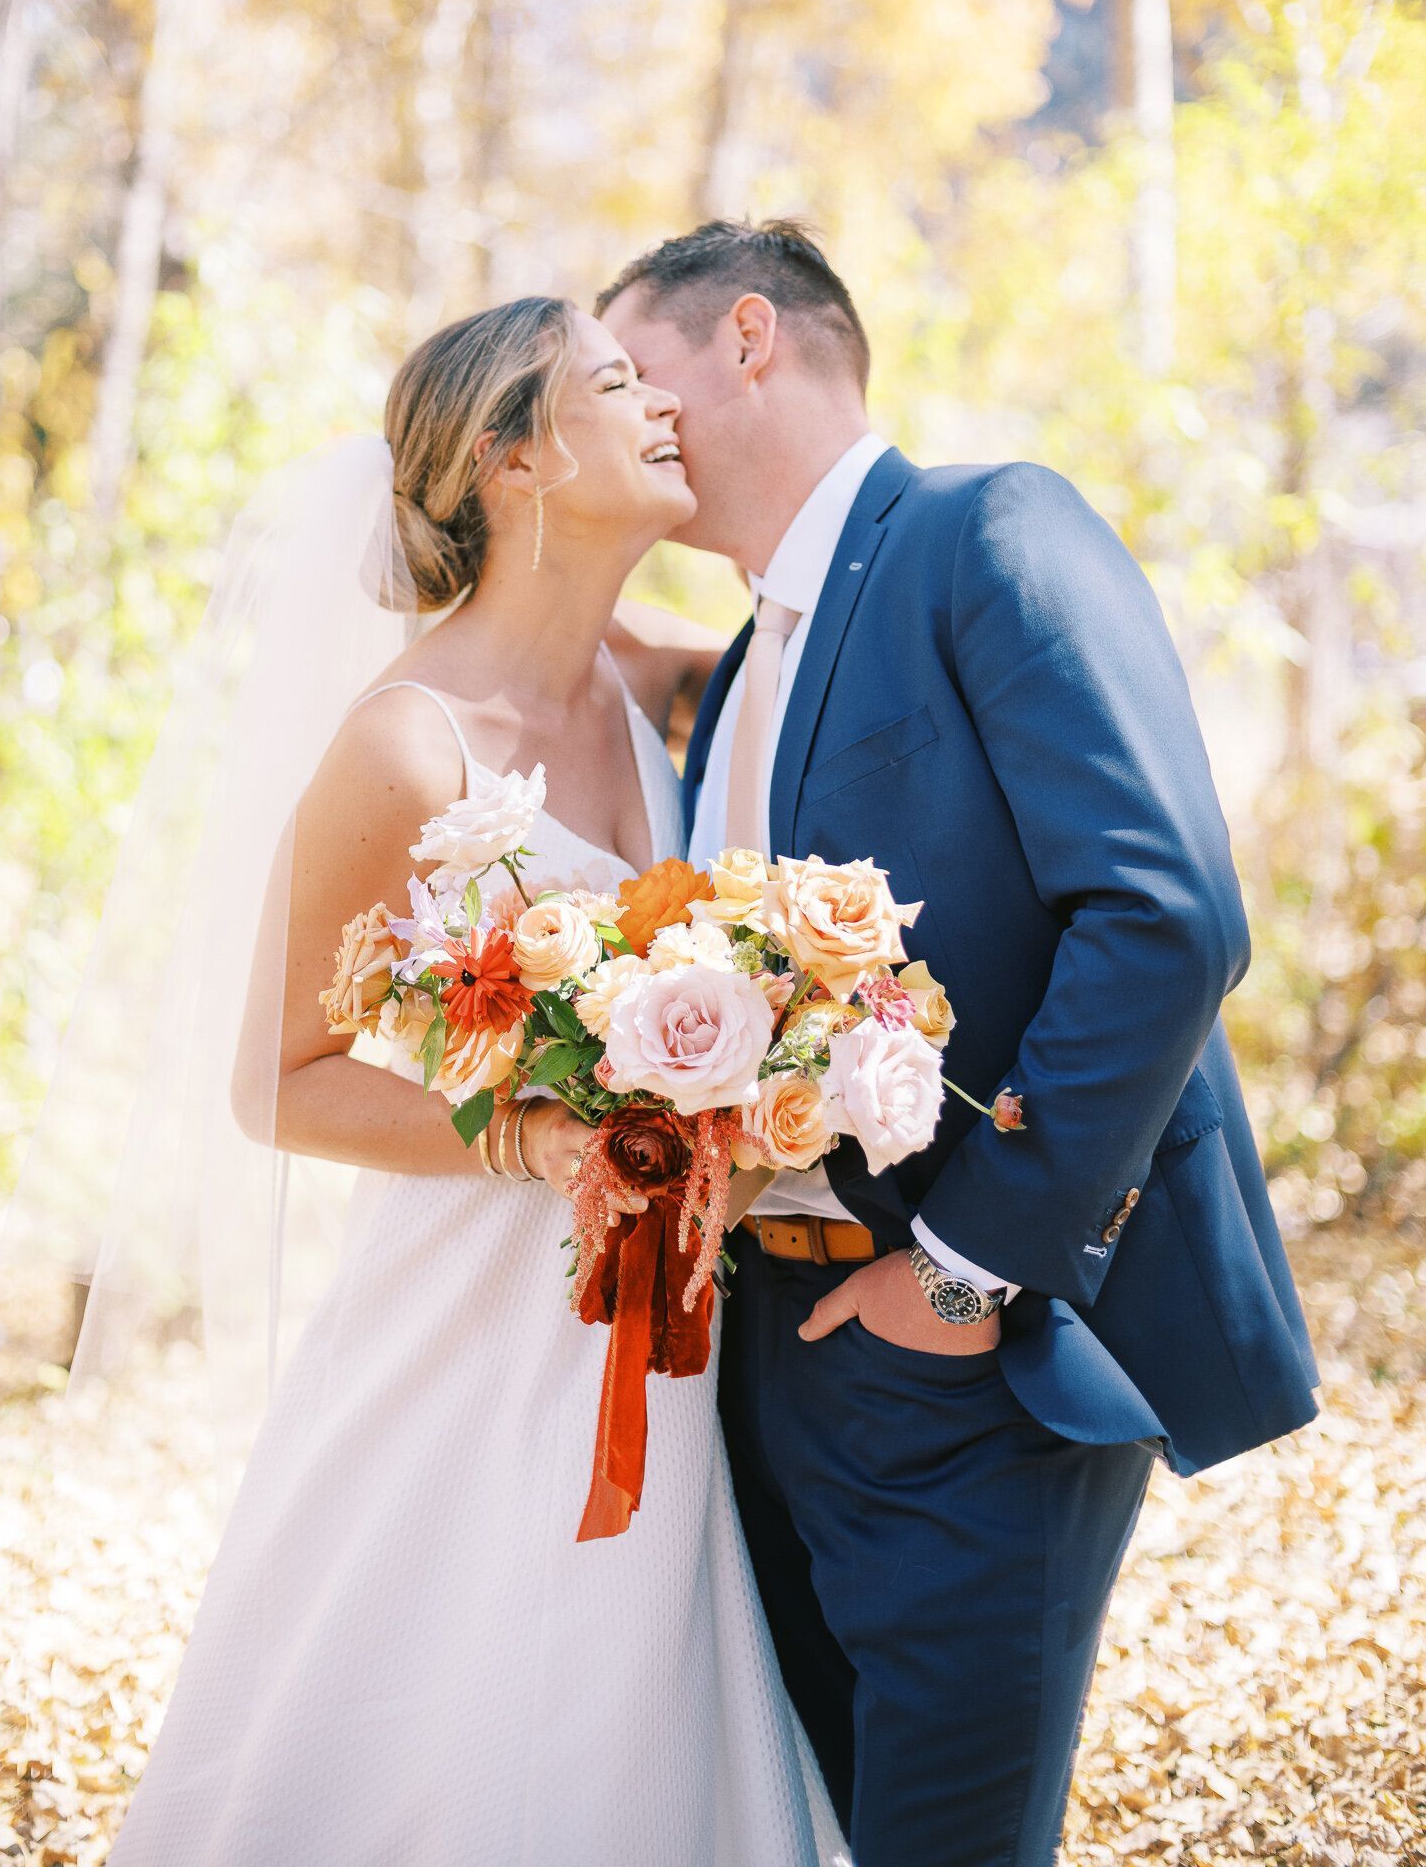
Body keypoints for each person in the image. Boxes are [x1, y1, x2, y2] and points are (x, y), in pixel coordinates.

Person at [598, 219, 1322, 1867]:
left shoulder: (989, 529)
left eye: (645, 379)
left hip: (974, 1363)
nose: (640, 428)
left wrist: (959, 1275)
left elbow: (1166, 913)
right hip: (773, 1362)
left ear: (753, 339)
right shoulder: (738, 682)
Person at [82, 297, 842, 1864]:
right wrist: (545, 1134)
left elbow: (833, 642)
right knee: (443, 1708)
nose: (663, 409)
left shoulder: (656, 692)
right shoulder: (405, 749)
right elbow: (277, 1083)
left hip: (662, 1319)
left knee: (632, 1710)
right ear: (514, 456)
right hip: (473, 1317)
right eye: (618, 381)